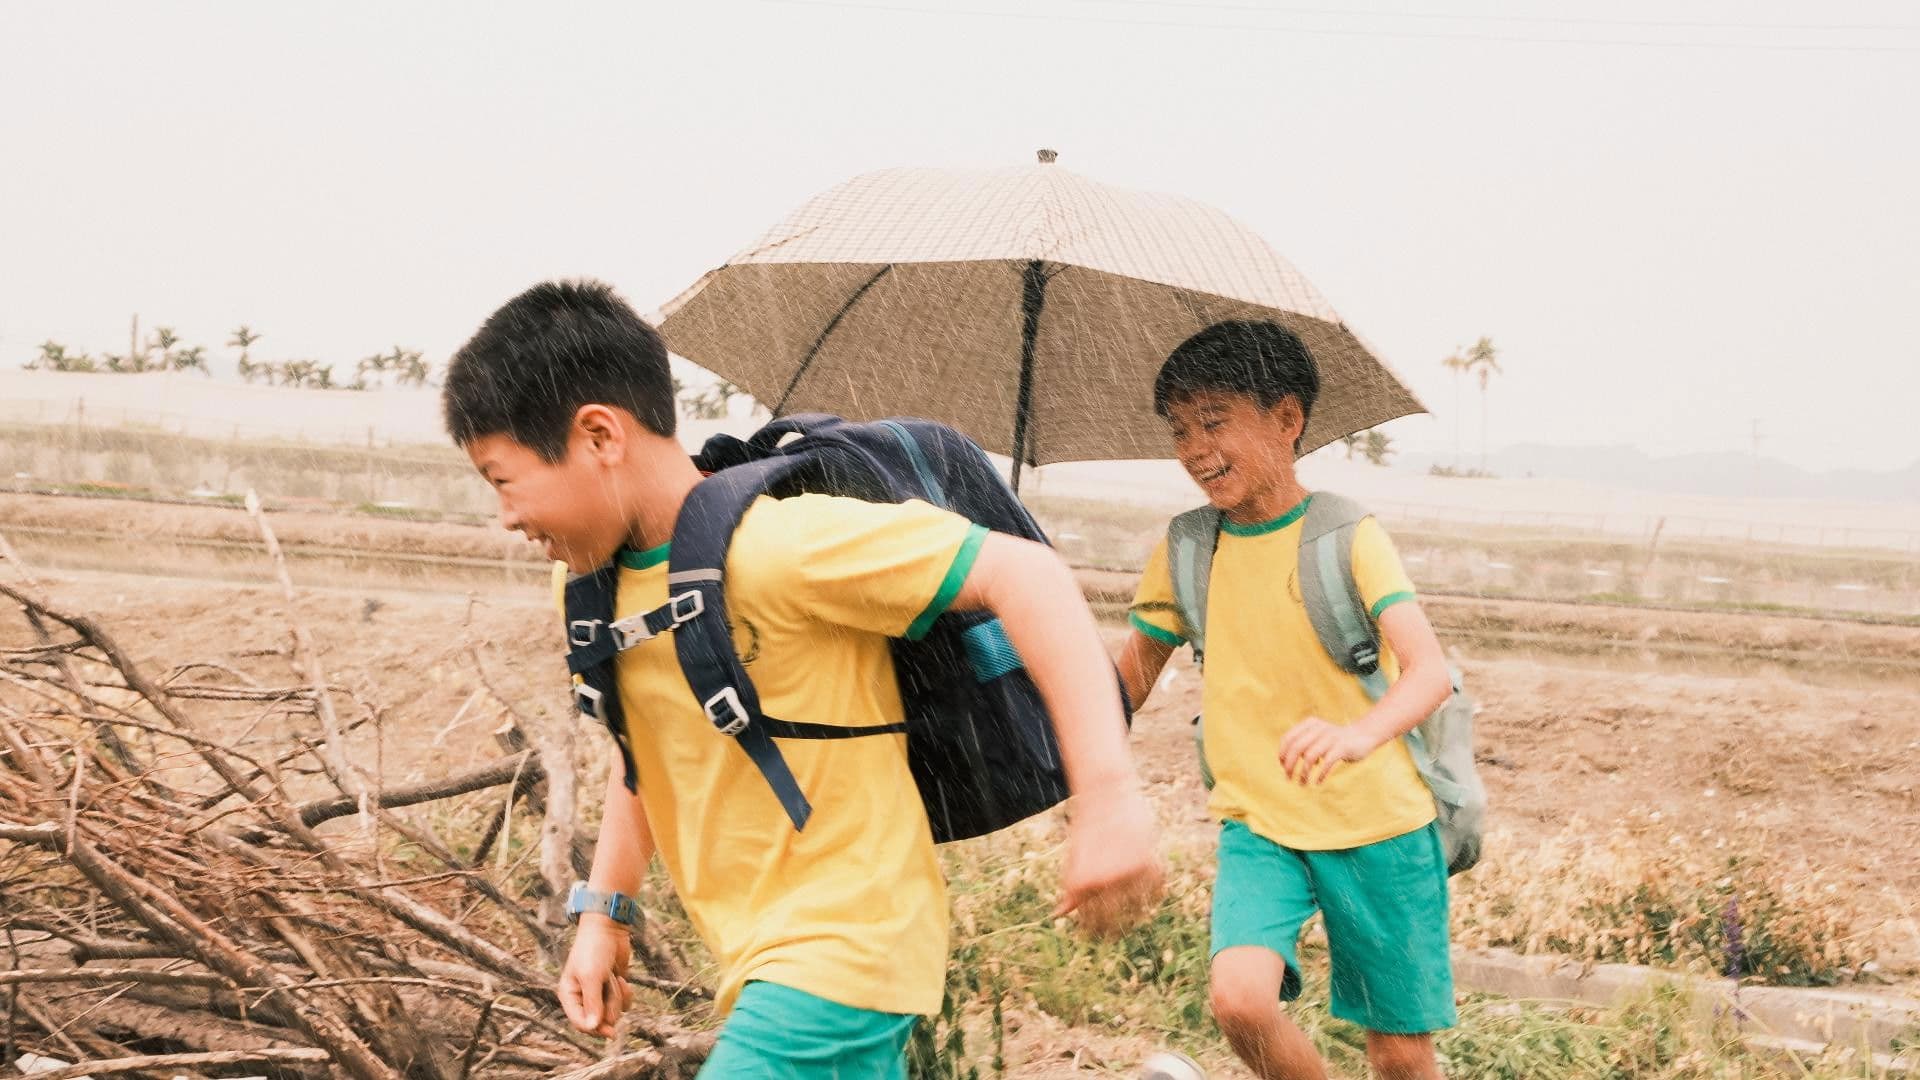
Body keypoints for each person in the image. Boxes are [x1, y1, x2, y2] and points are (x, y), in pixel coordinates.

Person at [441, 279, 1164, 1078]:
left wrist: (1107, 797)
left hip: (847, 948)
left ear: (600, 435)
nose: (505, 516)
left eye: (502, 479)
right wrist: (605, 914)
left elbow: (1026, 575)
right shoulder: (591, 587)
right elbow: (645, 747)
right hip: (763, 958)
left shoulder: (780, 547)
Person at [1116, 321, 1456, 1080]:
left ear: (1287, 419)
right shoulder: (1186, 549)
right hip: (1259, 824)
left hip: (1380, 826)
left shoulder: (1347, 535)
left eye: (1214, 422)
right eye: (1179, 429)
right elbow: (1124, 687)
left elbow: (1429, 672)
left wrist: (1358, 735)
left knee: (1400, 1054)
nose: (1195, 449)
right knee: (1240, 1002)